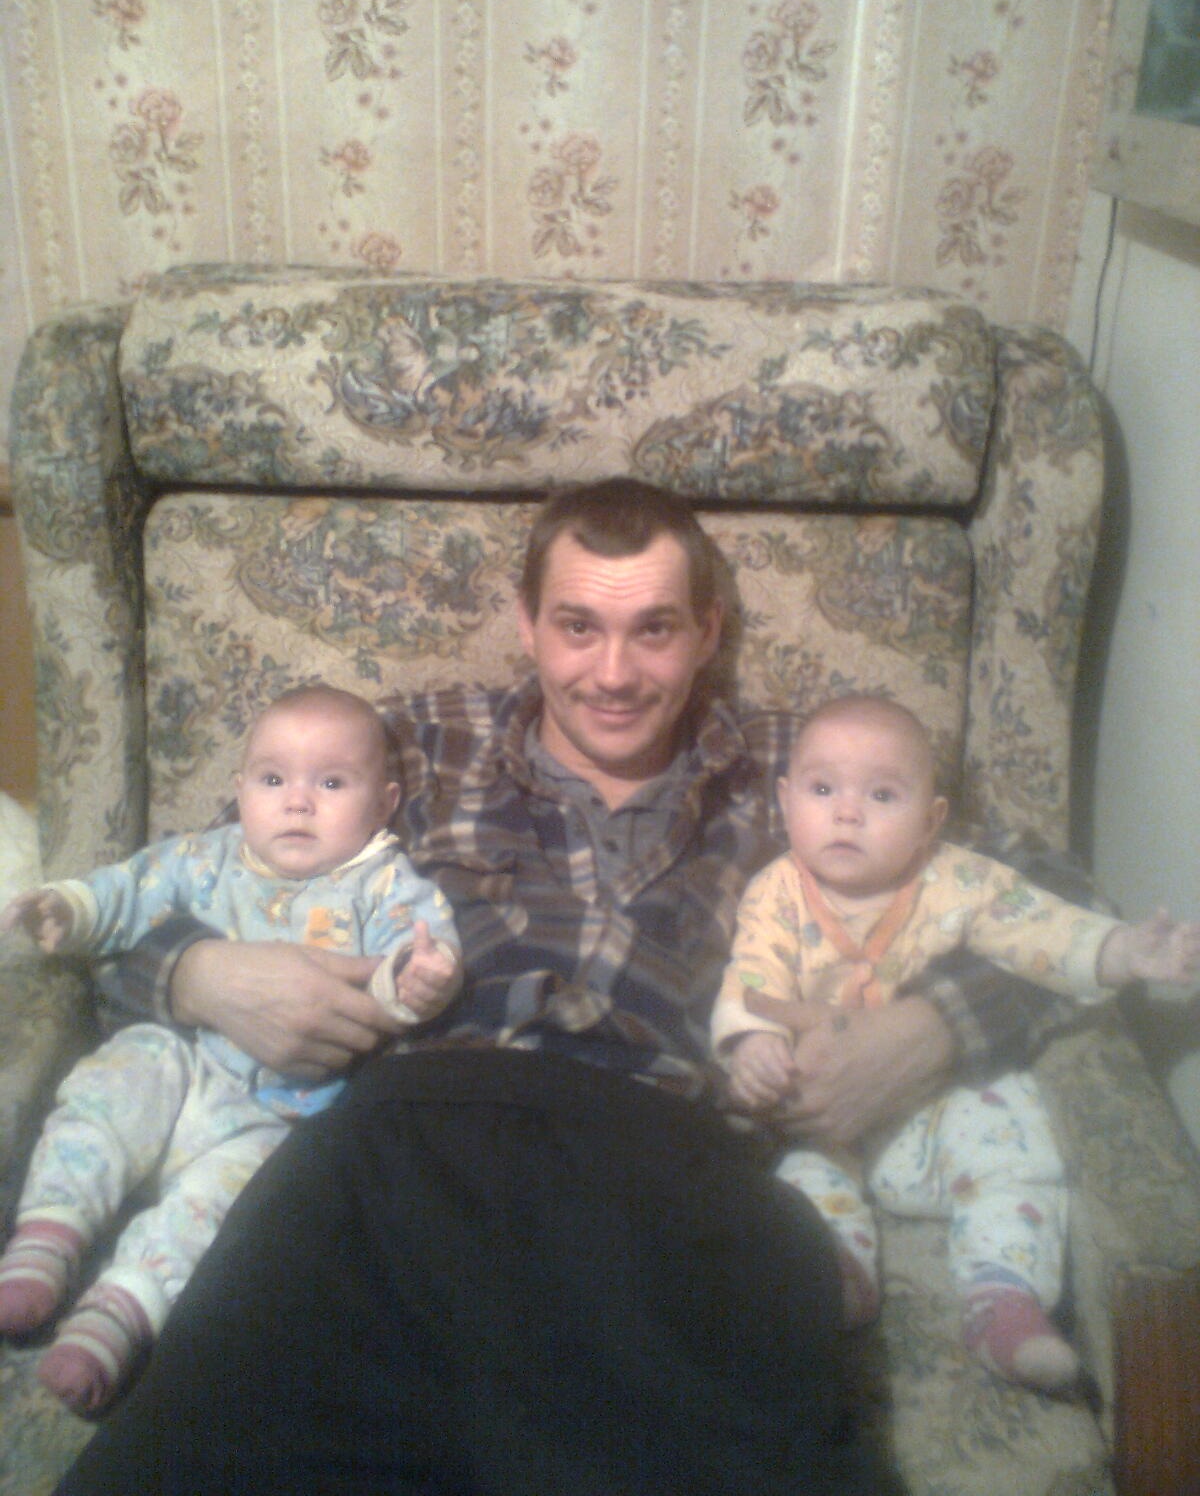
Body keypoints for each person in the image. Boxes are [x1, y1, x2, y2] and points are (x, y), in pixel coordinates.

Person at [55, 478, 1085, 1495]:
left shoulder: (808, 770)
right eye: (578, 626)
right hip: (399, 1161)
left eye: (655, 629)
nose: (614, 674)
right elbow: (118, 909)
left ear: (709, 631)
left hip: (684, 1182)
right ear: (527, 624)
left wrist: (932, 1028)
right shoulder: (410, 745)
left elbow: (1070, 903)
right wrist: (199, 973)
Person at [713, 694, 1200, 1392]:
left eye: (882, 795)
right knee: (799, 1187)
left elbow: (1041, 928)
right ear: (785, 801)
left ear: (930, 820)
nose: (847, 813)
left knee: (1018, 1130)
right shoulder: (775, 893)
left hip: (933, 1114)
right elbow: (752, 977)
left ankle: (1004, 1299)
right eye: (822, 790)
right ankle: (836, 1278)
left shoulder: (957, 878)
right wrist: (752, 1045)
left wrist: (1123, 952)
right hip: (818, 1121)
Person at [0, 683, 461, 1416]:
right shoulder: (205, 859)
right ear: (240, 788)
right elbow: (127, 891)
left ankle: (118, 1313)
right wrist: (71, 907)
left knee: (223, 1212)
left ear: (383, 804)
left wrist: (420, 979)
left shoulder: (382, 882)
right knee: (110, 1085)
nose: (297, 802)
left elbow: (411, 954)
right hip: (178, 1066)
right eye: (272, 779)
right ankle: (48, 1235)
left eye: (331, 784)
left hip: (275, 1115)